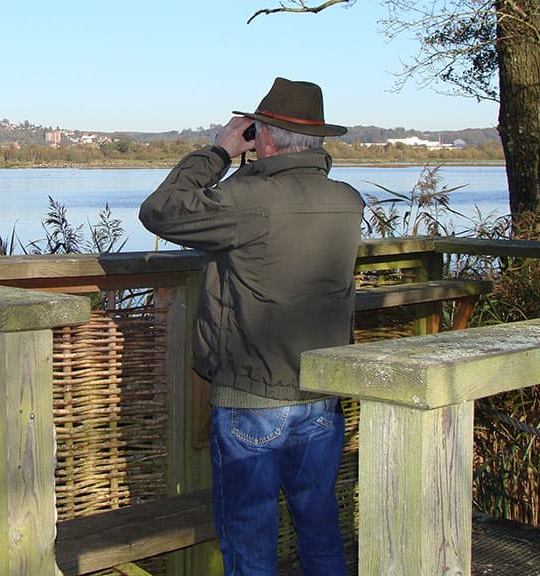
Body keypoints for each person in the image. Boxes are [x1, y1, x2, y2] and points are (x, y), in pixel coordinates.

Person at [139, 78, 365, 576]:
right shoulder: (347, 201)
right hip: (322, 396)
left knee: (249, 540)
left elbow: (160, 211)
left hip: (253, 401)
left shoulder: (248, 198)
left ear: (265, 137)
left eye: (255, 129)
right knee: (321, 529)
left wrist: (218, 152)